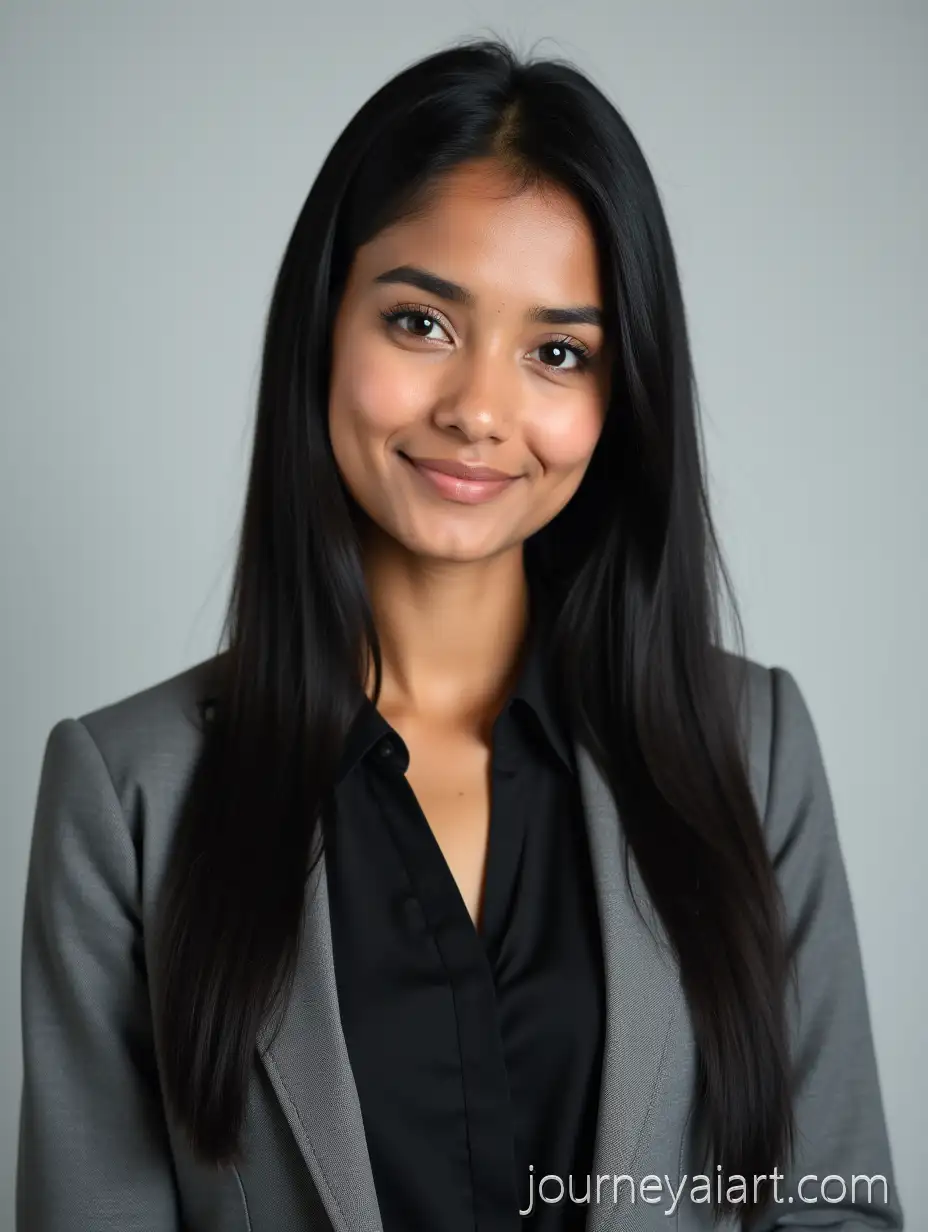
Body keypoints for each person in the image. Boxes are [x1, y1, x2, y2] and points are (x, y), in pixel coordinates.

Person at [16, 35, 904, 1232]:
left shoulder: (750, 751)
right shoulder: (129, 791)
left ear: (618, 395)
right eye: (421, 323)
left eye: (556, 352)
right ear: (325, 325)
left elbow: (830, 1206)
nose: (480, 409)